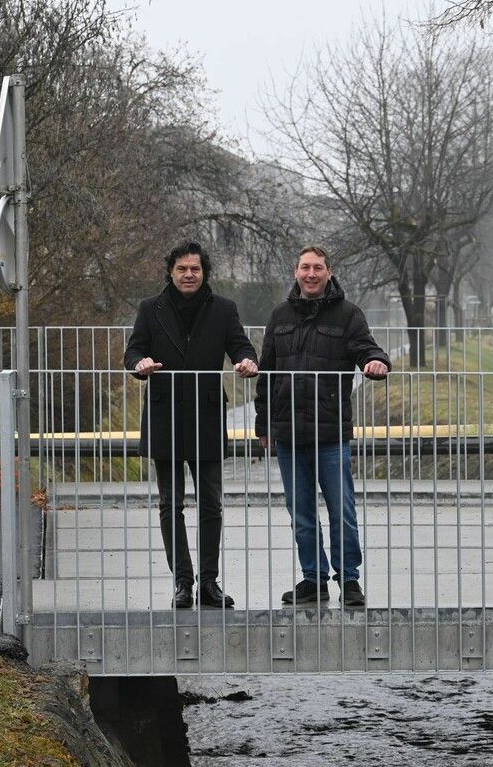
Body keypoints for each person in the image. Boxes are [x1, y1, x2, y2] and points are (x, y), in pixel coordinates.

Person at [124, 242, 258, 609]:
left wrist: (247, 361)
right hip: (165, 417)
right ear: (171, 272)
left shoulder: (224, 309)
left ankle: (209, 583)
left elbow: (242, 348)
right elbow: (132, 352)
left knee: (211, 504)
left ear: (204, 273)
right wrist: (141, 364)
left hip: (207, 416)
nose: (188, 275)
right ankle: (183, 583)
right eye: (181, 269)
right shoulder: (151, 309)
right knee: (171, 504)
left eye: (194, 269)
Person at [254, 246, 390, 607]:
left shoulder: (348, 314)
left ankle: (349, 579)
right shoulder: (279, 315)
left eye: (317, 268)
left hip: (330, 434)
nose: (310, 274)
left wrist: (376, 362)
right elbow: (266, 372)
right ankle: (313, 579)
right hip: (287, 434)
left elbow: (368, 349)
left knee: (341, 509)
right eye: (304, 268)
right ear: (295, 272)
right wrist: (262, 423)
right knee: (300, 512)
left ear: (329, 272)